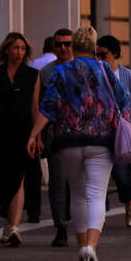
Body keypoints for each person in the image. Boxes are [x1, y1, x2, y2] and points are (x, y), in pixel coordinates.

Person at [27, 26, 131, 261]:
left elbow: (49, 107)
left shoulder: (61, 71)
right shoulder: (105, 69)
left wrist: (34, 135)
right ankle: (91, 246)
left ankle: (81, 243)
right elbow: (124, 98)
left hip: (68, 141)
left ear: (73, 46)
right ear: (94, 47)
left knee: (77, 193)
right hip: (100, 141)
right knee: (96, 194)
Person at [96, 35, 131, 228]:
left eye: (103, 55)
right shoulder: (95, 75)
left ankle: (129, 203)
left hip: (123, 134)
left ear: (115, 54)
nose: (100, 59)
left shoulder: (128, 76)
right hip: (100, 133)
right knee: (98, 174)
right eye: (97, 55)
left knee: (122, 175)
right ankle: (99, 212)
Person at [0, 33, 39, 246]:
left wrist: (36, 136)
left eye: (22, 48)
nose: (19, 52)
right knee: (0, 178)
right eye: (15, 47)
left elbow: (35, 107)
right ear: (6, 49)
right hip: (0, 131)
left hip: (23, 132)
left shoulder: (32, 75)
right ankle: (9, 224)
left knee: (18, 178)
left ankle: (14, 228)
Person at [39, 28, 74, 247]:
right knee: (57, 181)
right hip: (55, 133)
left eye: (67, 44)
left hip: (81, 133)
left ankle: (78, 220)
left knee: (77, 181)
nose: (63, 48)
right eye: (59, 44)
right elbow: (41, 105)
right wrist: (39, 134)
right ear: (53, 47)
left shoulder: (81, 68)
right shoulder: (45, 72)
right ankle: (60, 226)